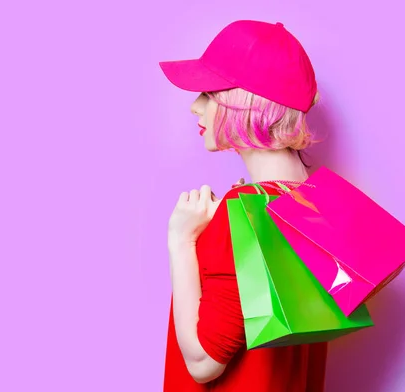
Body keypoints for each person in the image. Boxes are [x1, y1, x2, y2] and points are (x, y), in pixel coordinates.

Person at [159, 20, 328, 391]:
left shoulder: (244, 213)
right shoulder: (317, 206)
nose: (194, 107)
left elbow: (203, 362)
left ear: (245, 103)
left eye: (208, 93)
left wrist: (181, 239)